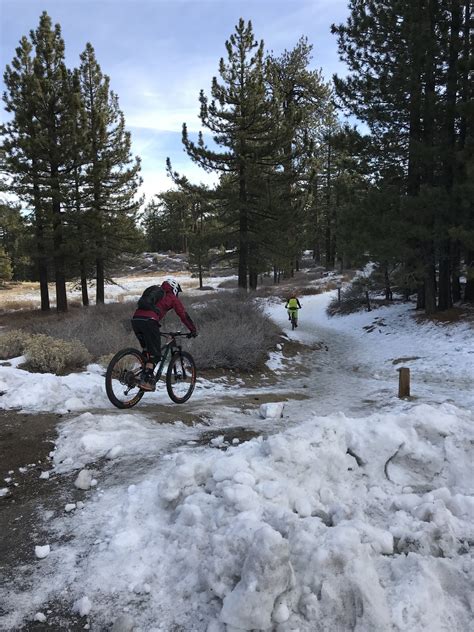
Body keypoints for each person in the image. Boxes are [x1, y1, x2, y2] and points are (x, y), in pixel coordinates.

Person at [132, 278, 197, 391]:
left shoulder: (155, 292)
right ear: (174, 288)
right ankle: (147, 381)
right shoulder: (171, 297)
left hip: (136, 320)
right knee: (156, 355)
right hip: (150, 321)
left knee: (147, 351)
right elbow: (183, 315)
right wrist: (193, 329)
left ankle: (139, 375)